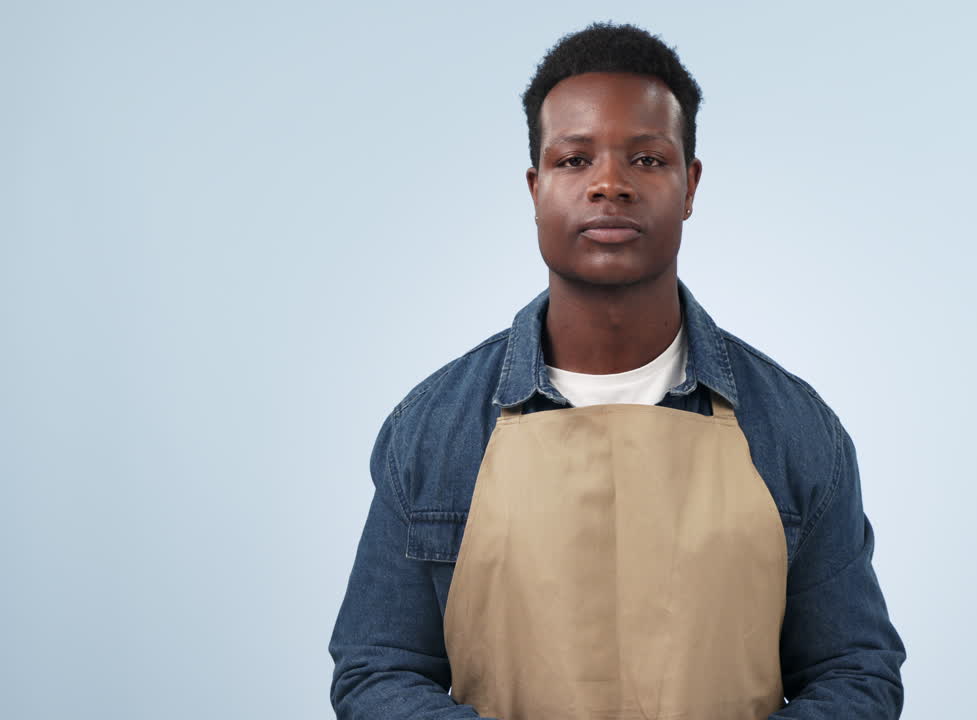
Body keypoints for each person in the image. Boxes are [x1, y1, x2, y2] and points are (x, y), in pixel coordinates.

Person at [328, 21, 906, 720]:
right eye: (574, 160)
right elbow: (379, 667)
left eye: (647, 159)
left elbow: (855, 670)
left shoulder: (796, 430)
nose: (609, 184)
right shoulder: (431, 429)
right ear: (536, 187)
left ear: (690, 185)